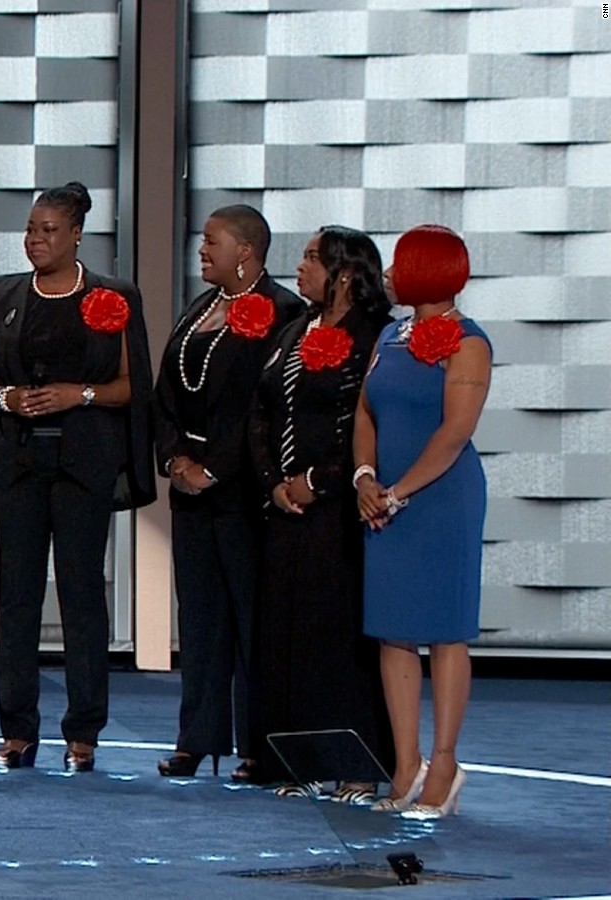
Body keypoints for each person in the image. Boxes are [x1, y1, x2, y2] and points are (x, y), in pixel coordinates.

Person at [0, 182, 156, 772]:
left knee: (81, 595)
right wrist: (9, 398)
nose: (35, 240)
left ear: (76, 235)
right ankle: (17, 730)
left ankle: (83, 732)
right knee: (17, 597)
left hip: (82, 465)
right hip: (18, 462)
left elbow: (129, 386)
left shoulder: (113, 297)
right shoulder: (6, 294)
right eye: (31, 229)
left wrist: (77, 394)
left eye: (48, 230)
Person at [154, 204, 305, 781]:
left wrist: (214, 467)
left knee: (249, 622)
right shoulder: (200, 310)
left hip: (243, 494)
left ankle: (256, 745)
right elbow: (167, 393)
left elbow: (263, 410)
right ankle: (198, 738)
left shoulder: (284, 314)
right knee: (200, 620)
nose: (201, 249)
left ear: (245, 250)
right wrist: (174, 459)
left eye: (211, 240)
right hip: (190, 491)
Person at [246, 226, 394, 799]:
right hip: (285, 510)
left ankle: (357, 763)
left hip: (339, 513)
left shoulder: (374, 337)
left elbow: (370, 423)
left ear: (347, 274)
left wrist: (317, 482)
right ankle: (298, 760)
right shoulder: (292, 332)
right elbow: (262, 412)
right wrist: (273, 484)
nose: (300, 268)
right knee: (288, 633)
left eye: (312, 258)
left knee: (338, 637)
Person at [354, 224, 490, 819]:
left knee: (444, 630)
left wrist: (399, 492)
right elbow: (366, 409)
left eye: (399, 263)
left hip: (440, 500)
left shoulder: (468, 341)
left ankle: (446, 761)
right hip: (383, 496)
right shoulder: (391, 335)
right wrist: (364, 477)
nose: (388, 273)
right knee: (393, 629)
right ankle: (406, 764)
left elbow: (456, 431)